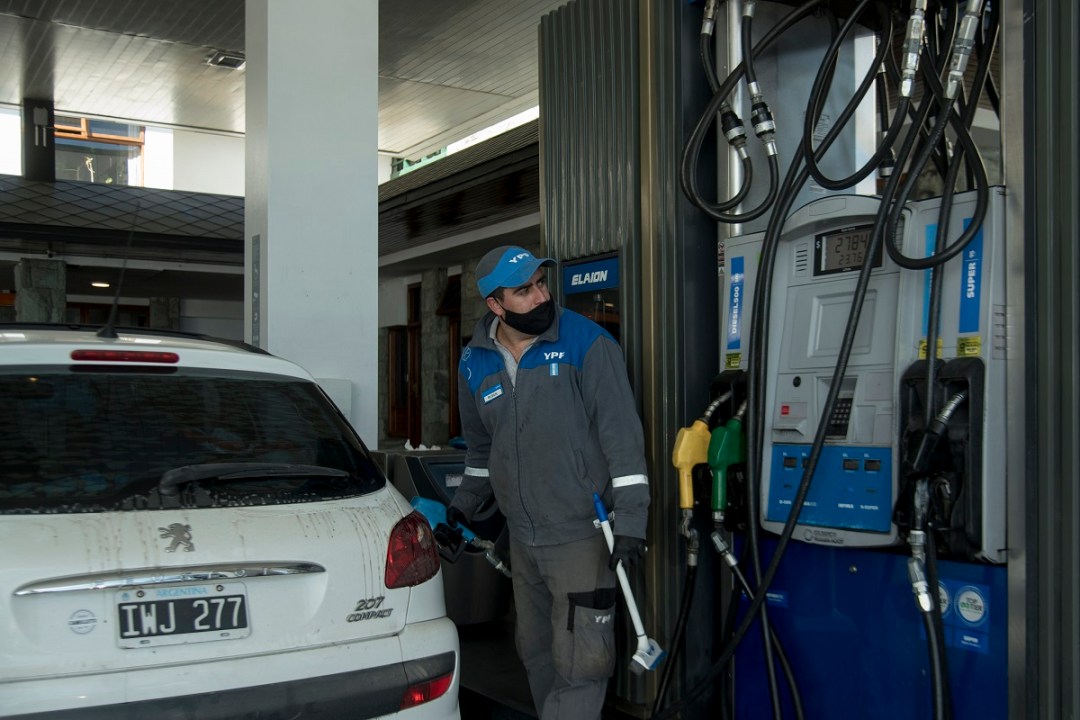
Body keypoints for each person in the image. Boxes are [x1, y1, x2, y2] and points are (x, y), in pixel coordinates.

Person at [447, 245, 650, 720]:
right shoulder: (474, 362)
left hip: (583, 534)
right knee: (536, 651)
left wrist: (632, 523)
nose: (541, 296)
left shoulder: (589, 343)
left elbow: (623, 441)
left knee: (582, 661)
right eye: (524, 290)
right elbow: (481, 452)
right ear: (495, 305)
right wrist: (463, 506)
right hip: (523, 538)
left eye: (541, 283)